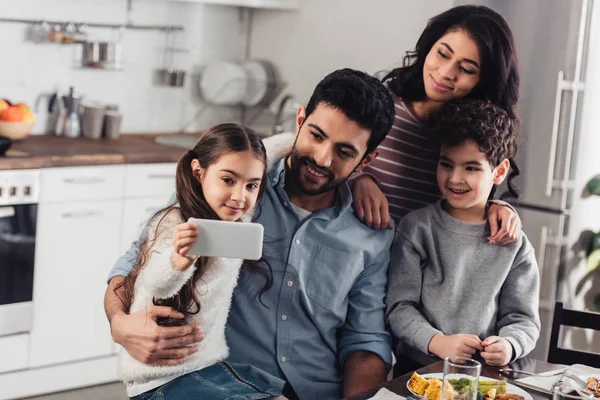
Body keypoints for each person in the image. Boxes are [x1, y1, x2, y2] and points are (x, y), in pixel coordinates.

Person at [105, 68, 397, 400]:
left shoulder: (371, 234)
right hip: (221, 382)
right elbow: (130, 266)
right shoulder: (231, 189)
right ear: (299, 119)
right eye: (316, 135)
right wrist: (120, 324)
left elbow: (365, 339)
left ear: (366, 159)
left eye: (345, 152)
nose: (322, 158)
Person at [115, 123, 284, 399]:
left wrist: (360, 175)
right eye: (228, 180)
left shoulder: (239, 219)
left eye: (251, 185)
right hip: (159, 376)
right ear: (198, 171)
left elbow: (273, 148)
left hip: (205, 364)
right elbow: (156, 284)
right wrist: (179, 262)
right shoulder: (175, 223)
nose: (239, 196)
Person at [385, 100, 540, 374]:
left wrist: (510, 345)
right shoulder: (416, 228)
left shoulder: (515, 244)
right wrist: (437, 342)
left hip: (486, 378)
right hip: (416, 371)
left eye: (471, 168)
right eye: (446, 164)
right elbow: (399, 307)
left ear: (499, 172)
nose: (455, 178)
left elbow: (523, 319)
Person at [352, 4, 522, 244]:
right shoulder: (376, 103)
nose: (445, 73)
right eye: (442, 54)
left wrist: (499, 209)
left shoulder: (469, 137)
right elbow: (321, 157)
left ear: (483, 81)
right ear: (428, 47)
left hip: (413, 270)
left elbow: (469, 197)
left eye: (465, 69)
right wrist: (356, 179)